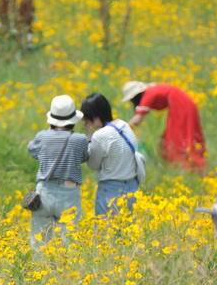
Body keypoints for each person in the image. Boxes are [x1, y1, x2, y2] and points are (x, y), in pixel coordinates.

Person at [26, 94, 90, 249]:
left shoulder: (42, 136)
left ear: (51, 119)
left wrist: (50, 131)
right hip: (68, 193)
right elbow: (84, 157)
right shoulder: (80, 139)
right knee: (70, 241)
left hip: (44, 192)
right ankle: (68, 272)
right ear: (73, 119)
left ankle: (40, 271)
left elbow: (32, 151)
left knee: (39, 241)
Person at [121, 80, 206, 172]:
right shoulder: (150, 91)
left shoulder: (148, 95)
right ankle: (182, 167)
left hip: (181, 108)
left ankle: (190, 168)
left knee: (179, 140)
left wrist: (121, 131)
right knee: (169, 141)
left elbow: (137, 120)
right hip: (180, 107)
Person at [81, 92, 141, 216]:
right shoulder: (124, 125)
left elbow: (93, 165)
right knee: (128, 231)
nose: (86, 124)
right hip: (132, 187)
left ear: (95, 117)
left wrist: (88, 138)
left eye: (87, 120)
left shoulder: (100, 135)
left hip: (111, 190)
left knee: (106, 232)